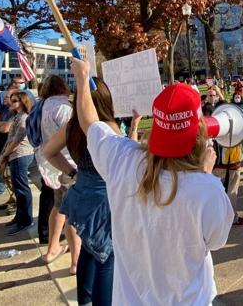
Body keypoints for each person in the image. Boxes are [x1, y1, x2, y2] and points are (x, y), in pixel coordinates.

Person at [72, 58, 233, 305]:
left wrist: (82, 79)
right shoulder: (207, 189)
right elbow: (216, 241)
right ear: (198, 132)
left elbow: (90, 123)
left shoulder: (121, 159)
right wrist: (206, 174)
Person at [44, 77, 135, 306]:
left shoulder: (72, 126)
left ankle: (84, 300)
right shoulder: (107, 128)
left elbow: (49, 152)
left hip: (81, 190)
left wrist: (73, 173)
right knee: (107, 257)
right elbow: (126, 158)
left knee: (88, 249)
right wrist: (133, 129)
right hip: (103, 197)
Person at [36, 75, 81, 270]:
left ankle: (52, 248)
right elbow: (72, 135)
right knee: (72, 214)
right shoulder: (63, 108)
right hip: (69, 164)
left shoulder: (43, 106)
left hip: (54, 163)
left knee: (59, 207)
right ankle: (76, 261)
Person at [0, 90, 35, 235]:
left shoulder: (23, 118)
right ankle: (19, 216)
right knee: (17, 188)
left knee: (22, 188)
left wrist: (5, 155)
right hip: (14, 155)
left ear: (23, 102)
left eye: (15, 101)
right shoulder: (17, 117)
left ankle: (25, 219)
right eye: (11, 100)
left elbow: (17, 141)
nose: (11, 103)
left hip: (21, 155)